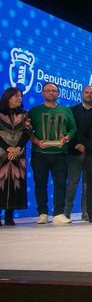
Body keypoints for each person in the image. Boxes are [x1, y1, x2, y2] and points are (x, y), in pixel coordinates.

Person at [28, 82, 77, 225]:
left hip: (60, 153)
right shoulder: (34, 111)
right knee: (40, 183)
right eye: (48, 90)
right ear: (43, 93)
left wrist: (66, 138)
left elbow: (73, 129)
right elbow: (27, 132)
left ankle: (58, 213)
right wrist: (36, 141)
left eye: (54, 91)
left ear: (58, 93)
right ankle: (42, 213)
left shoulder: (66, 110)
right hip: (39, 153)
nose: (51, 93)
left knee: (60, 184)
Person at [0, 87, 30, 226]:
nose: (19, 98)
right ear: (7, 97)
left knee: (15, 184)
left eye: (20, 96)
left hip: (18, 155)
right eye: (15, 96)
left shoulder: (25, 115)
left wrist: (17, 148)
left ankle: (9, 215)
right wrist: (8, 148)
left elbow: (26, 133)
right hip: (2, 154)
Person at [66, 85, 92, 221]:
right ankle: (66, 213)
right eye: (87, 92)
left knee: (87, 185)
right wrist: (76, 145)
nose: (89, 95)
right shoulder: (72, 110)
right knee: (72, 183)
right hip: (74, 153)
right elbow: (69, 131)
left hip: (91, 154)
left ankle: (86, 213)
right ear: (82, 94)